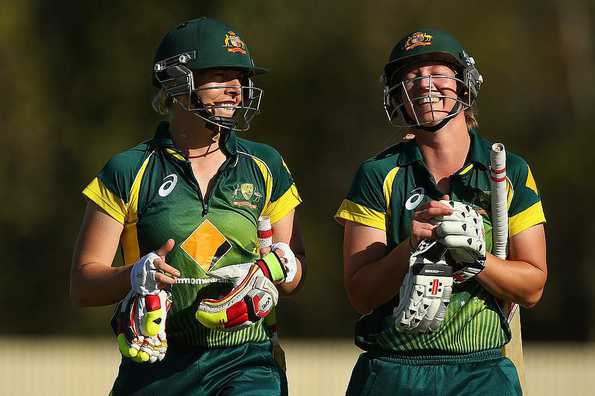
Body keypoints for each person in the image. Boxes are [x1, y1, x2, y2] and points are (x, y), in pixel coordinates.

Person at [70, 17, 305, 396]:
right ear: (177, 84)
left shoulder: (266, 165)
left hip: (246, 360)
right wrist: (133, 275)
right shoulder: (129, 169)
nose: (236, 91)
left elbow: (294, 276)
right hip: (157, 365)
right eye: (220, 77)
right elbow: (82, 285)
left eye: (240, 79)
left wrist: (282, 266)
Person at [335, 28, 546, 395]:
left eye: (437, 72)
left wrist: (477, 260)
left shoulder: (510, 171)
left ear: (464, 84)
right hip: (392, 370)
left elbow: (532, 287)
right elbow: (360, 294)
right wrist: (408, 247)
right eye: (411, 75)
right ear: (396, 94)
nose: (423, 83)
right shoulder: (377, 174)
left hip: (481, 372)